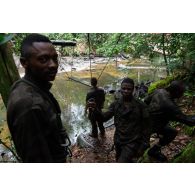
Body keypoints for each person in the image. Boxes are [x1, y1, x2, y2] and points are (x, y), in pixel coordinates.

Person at [7, 34, 71, 162]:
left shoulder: (27, 86)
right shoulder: (29, 105)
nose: (53, 65)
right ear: (24, 63)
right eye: (43, 59)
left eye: (55, 58)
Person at [87, 77, 151, 162]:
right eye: (124, 88)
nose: (126, 91)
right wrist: (95, 109)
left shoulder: (141, 106)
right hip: (118, 139)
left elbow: (147, 126)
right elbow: (104, 118)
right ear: (120, 89)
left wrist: (144, 145)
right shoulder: (116, 104)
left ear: (133, 90)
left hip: (133, 141)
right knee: (119, 159)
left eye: (129, 89)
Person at [144, 80, 195, 162]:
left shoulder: (159, 91)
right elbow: (189, 121)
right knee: (140, 148)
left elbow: (146, 101)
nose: (182, 95)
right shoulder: (170, 105)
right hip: (150, 126)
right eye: (182, 93)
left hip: (147, 121)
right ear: (177, 92)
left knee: (172, 132)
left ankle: (154, 150)